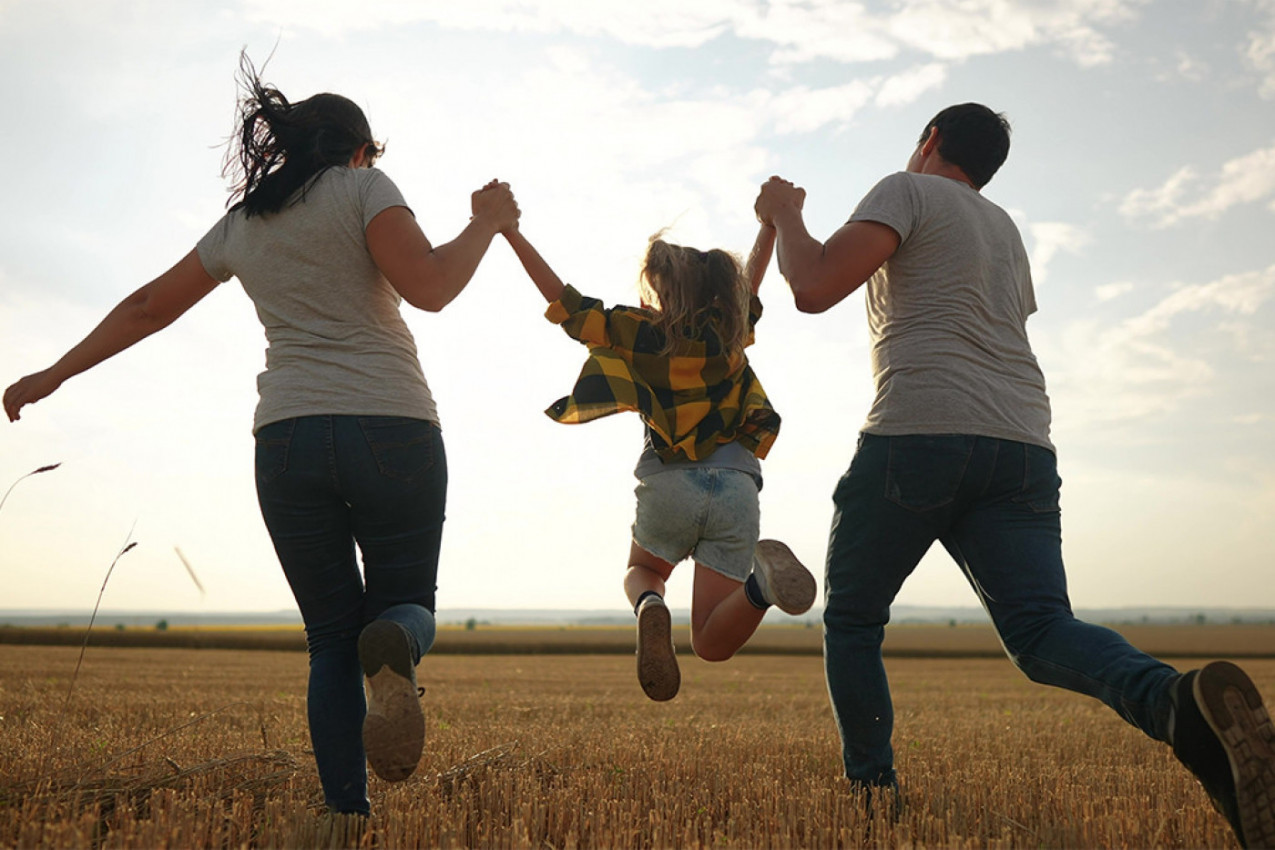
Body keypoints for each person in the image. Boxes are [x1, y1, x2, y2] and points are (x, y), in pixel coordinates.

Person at [3, 56, 519, 816]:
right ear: (357, 149)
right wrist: (487, 223)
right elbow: (432, 287)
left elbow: (148, 305)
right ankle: (398, 647)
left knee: (327, 642)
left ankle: (346, 817)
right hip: (392, 426)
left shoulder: (243, 225)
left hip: (286, 442)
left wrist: (55, 372)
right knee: (405, 604)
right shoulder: (364, 188)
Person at [754, 103, 1274, 846]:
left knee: (854, 619)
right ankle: (1176, 702)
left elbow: (809, 287)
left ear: (929, 142)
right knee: (1039, 631)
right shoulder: (1003, 229)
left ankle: (872, 801)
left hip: (920, 432)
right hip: (1023, 443)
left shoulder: (907, 191)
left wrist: (781, 218)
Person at [500, 218, 817, 701]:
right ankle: (762, 588)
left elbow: (565, 303)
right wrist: (770, 225)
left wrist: (511, 232)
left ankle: (650, 605)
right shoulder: (730, 328)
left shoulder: (634, 330)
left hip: (669, 482)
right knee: (710, 642)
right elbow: (752, 282)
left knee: (642, 573)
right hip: (736, 486)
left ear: (662, 289)